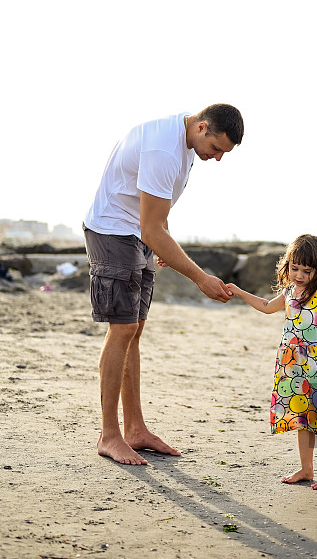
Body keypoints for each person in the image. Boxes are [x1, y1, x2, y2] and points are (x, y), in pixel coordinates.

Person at [84, 104, 244, 466]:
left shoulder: (185, 144)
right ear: (202, 126)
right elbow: (149, 227)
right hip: (112, 229)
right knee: (122, 329)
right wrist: (201, 278)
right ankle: (109, 434)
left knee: (134, 330)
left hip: (136, 232)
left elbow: (157, 217)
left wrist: (162, 244)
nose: (217, 158)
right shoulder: (162, 148)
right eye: (216, 148)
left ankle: (136, 429)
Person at [228, 234, 317, 491]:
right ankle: (307, 469)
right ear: (287, 265)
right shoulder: (289, 292)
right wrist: (238, 291)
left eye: (306, 270)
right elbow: (266, 306)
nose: (299, 275)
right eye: (294, 268)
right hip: (294, 367)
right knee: (302, 418)